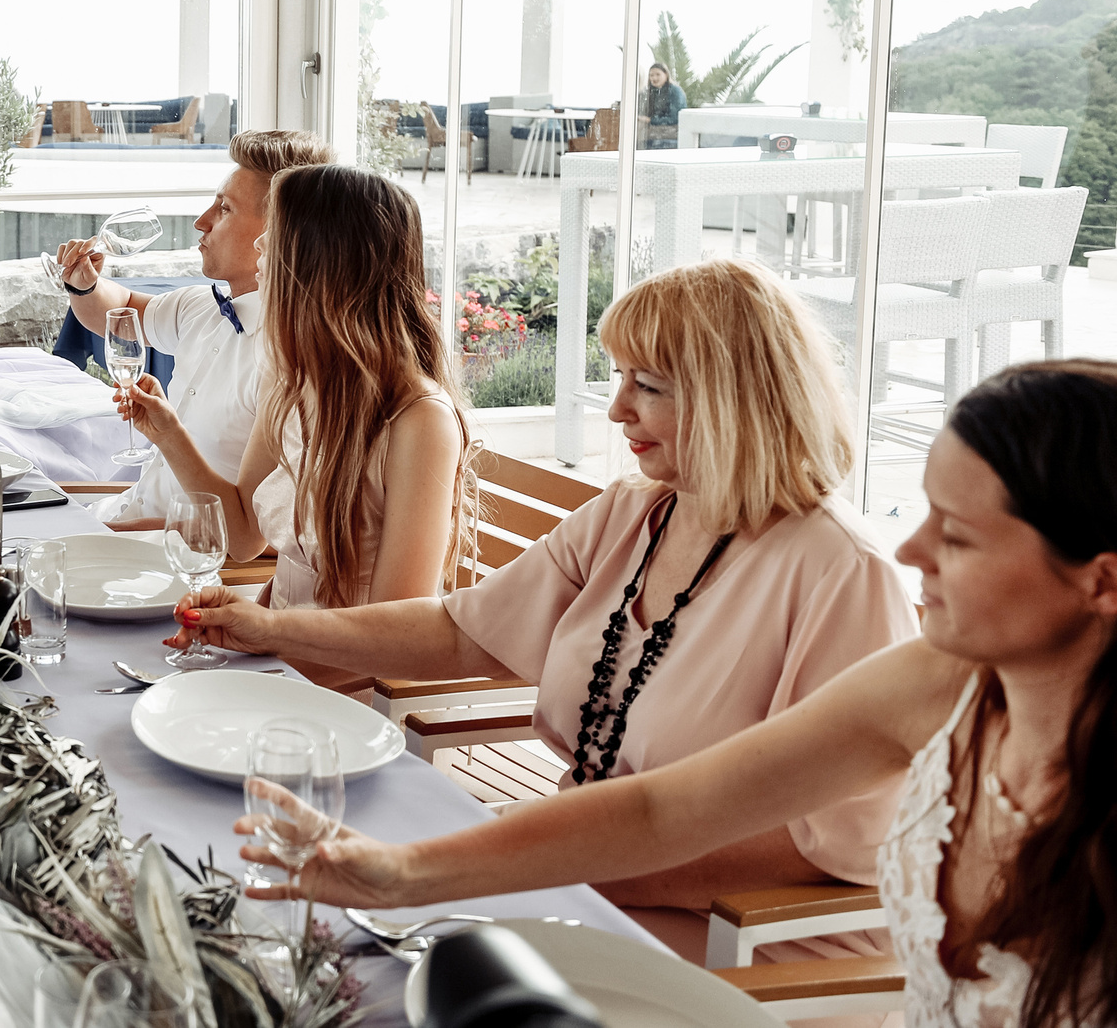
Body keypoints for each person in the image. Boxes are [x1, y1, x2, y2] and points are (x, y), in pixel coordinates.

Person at [259, 360, 1117, 1025]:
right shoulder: (943, 679)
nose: (912, 549)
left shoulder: (840, 572)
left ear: (1102, 582)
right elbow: (663, 810)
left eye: (957, 535)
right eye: (925, 511)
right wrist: (394, 872)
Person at [171, 257, 920, 958]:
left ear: (738, 398)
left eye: (650, 386)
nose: (618, 408)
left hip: (735, 939)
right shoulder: (638, 512)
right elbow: (460, 629)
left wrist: (540, 867)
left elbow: (827, 845)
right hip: (585, 873)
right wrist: (266, 626)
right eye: (618, 377)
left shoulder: (843, 575)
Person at [121, 163, 472, 605]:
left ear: (324, 261)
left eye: (278, 232)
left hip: (333, 670)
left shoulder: (419, 421)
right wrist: (168, 434)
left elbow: (397, 628)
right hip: (276, 651)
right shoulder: (293, 384)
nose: (261, 243)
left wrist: (263, 634)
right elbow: (244, 535)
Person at [54, 130, 333, 515]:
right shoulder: (199, 307)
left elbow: (258, 536)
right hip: (125, 512)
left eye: (224, 209)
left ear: (279, 233)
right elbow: (114, 313)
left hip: (172, 548)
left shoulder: (292, 363)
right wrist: (84, 286)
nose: (201, 222)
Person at [642, 61, 686, 148]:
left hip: (671, 135)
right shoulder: (651, 92)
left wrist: (650, 120)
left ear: (666, 74)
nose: (654, 78)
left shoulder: (675, 91)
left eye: (658, 74)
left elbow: (675, 118)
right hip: (655, 133)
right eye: (651, 75)